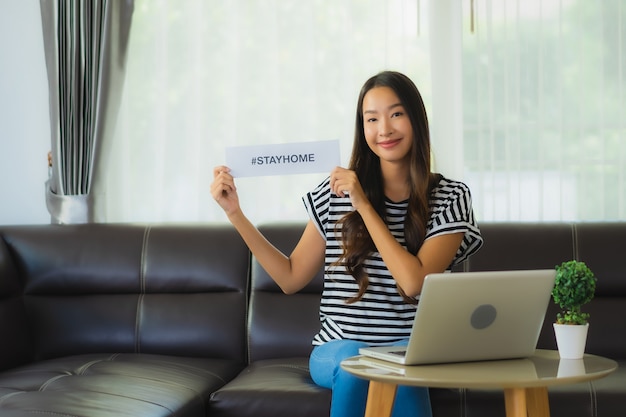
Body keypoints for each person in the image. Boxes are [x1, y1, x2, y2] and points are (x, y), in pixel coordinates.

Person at [210, 70, 483, 417]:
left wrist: (364, 205)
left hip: (410, 348)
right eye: (372, 119)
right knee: (356, 365)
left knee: (401, 371)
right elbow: (291, 277)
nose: (384, 129)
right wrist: (235, 213)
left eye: (396, 114)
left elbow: (414, 282)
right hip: (337, 348)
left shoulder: (449, 197)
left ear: (416, 119)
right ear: (362, 127)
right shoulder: (334, 193)